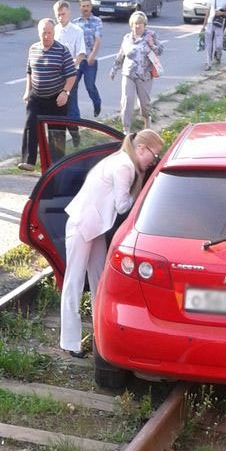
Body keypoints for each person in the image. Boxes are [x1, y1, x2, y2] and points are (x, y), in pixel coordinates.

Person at [59, 129, 163, 356]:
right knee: (74, 283)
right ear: (141, 149)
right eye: (154, 156)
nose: (152, 161)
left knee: (99, 281)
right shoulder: (124, 166)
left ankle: (100, 334)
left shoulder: (120, 158)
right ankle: (70, 342)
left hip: (93, 227)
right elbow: (122, 206)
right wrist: (145, 193)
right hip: (83, 226)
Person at [19, 18, 77, 171]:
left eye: (49, 33)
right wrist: (27, 91)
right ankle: (29, 161)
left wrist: (65, 92)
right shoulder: (33, 49)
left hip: (56, 97)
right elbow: (29, 71)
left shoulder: (62, 50)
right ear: (39, 33)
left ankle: (56, 165)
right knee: (30, 125)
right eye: (43, 33)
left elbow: (72, 75)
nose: (46, 36)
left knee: (56, 132)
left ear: (54, 33)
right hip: (37, 96)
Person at [110, 11, 164, 131]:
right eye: (135, 23)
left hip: (145, 75)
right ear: (131, 25)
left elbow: (160, 50)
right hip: (128, 74)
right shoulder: (127, 38)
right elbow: (121, 54)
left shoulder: (151, 35)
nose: (137, 26)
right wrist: (114, 69)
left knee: (144, 103)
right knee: (127, 100)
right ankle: (126, 129)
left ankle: (147, 120)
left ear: (144, 25)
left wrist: (152, 45)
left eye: (140, 23)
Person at [53, 0, 86, 144]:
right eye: (58, 15)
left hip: (72, 73)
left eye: (63, 14)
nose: (61, 18)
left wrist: (71, 68)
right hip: (56, 74)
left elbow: (81, 54)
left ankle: (75, 134)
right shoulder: (54, 30)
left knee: (71, 104)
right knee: (58, 105)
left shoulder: (77, 31)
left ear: (69, 13)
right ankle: (58, 137)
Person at [74, 0, 103, 117]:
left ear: (91, 7)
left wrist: (92, 54)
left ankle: (97, 103)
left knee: (90, 86)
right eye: (83, 6)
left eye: (87, 6)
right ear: (80, 7)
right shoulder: (75, 23)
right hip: (77, 60)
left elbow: (97, 39)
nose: (85, 8)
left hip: (90, 60)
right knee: (72, 86)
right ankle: (74, 115)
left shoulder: (97, 21)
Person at [201, 0, 226, 70]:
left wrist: (221, 13)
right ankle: (208, 63)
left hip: (219, 23)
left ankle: (218, 55)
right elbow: (207, 11)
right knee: (208, 45)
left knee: (219, 45)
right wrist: (204, 25)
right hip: (210, 22)